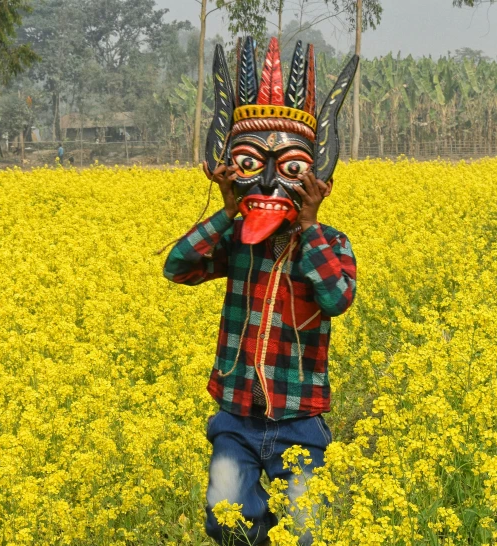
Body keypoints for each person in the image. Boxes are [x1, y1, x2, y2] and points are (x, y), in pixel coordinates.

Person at [164, 36, 358, 546]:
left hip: (300, 420)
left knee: (304, 533)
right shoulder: (237, 245)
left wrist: (310, 226)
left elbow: (337, 298)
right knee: (226, 523)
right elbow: (178, 266)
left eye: (292, 168)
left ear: (318, 176)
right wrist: (228, 210)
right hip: (237, 414)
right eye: (252, 163)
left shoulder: (332, 243)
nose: (270, 179)